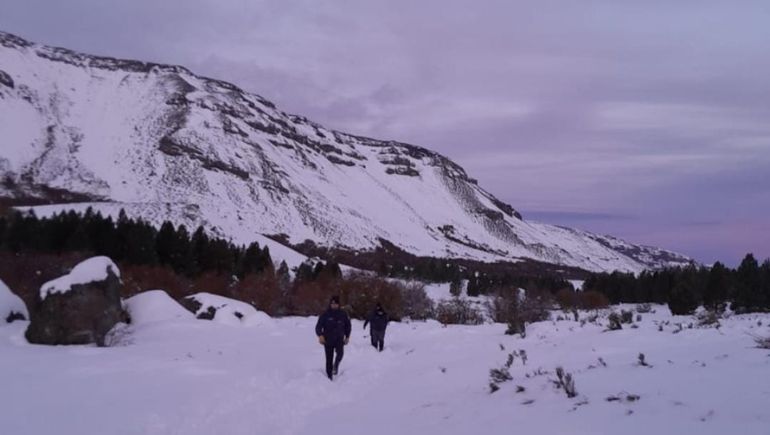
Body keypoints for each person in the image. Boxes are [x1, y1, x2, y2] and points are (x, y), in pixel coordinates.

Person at [315, 296, 351, 380]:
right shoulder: (325, 314)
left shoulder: (343, 314)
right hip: (328, 340)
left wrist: (347, 336)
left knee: (340, 354)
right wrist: (320, 335)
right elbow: (318, 326)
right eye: (332, 304)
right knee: (329, 359)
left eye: (335, 304)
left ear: (338, 304)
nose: (333, 305)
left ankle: (336, 365)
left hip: (339, 339)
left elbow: (348, 326)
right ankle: (329, 378)